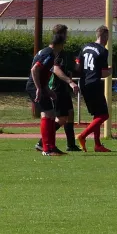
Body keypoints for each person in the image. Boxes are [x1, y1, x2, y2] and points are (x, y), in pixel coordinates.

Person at [34, 24, 81, 152]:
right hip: (56, 88)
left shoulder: (64, 52)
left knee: (70, 114)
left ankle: (71, 145)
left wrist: (77, 64)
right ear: (61, 35)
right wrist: (70, 82)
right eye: (66, 34)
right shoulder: (55, 52)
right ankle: (42, 142)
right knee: (61, 118)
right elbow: (56, 69)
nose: (67, 36)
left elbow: (71, 68)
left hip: (63, 88)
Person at [25, 31, 69, 156]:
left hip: (40, 87)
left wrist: (47, 90)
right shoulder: (49, 54)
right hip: (34, 86)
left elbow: (43, 73)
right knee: (47, 114)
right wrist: (39, 88)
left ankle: (51, 147)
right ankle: (46, 149)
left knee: (51, 114)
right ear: (60, 44)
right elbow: (34, 70)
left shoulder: (46, 52)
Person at [75, 25, 112, 152]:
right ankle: (83, 135)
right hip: (94, 84)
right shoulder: (103, 51)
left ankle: (97, 145)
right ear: (105, 36)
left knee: (97, 114)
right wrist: (111, 71)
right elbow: (103, 73)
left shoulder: (85, 47)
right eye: (108, 37)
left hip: (84, 83)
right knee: (104, 115)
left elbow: (78, 67)